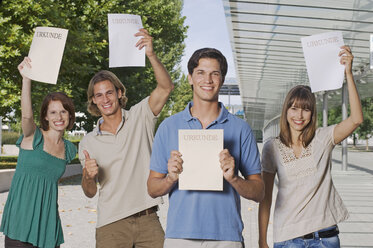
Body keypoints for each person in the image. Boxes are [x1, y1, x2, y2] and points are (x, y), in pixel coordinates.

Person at [147, 48, 265, 248]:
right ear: (190, 78)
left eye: (215, 73)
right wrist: (170, 178)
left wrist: (234, 179)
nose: (207, 80)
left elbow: (259, 192)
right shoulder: (169, 127)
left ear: (222, 79)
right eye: (201, 73)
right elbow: (152, 189)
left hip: (227, 237)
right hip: (179, 236)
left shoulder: (241, 129)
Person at [258, 46, 363, 248]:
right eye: (294, 108)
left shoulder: (323, 138)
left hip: (325, 238)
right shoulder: (272, 147)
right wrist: (262, 240)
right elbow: (266, 197)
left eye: (306, 109)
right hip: (288, 239)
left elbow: (357, 119)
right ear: (286, 110)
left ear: (312, 113)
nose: (299, 116)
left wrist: (348, 74)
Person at [78, 28, 173, 248]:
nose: (105, 99)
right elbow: (90, 192)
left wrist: (151, 54)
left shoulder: (141, 116)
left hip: (148, 219)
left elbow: (166, 87)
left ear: (120, 93)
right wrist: (88, 176)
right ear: (93, 101)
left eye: (109, 92)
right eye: (99, 95)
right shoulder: (88, 142)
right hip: (110, 225)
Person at [0, 57, 77, 248]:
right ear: (45, 116)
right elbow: (26, 116)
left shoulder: (69, 149)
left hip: (48, 227)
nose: (58, 117)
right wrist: (26, 80)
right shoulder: (33, 136)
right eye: (53, 112)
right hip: (20, 223)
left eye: (63, 112)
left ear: (69, 115)